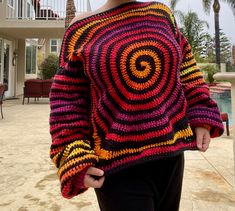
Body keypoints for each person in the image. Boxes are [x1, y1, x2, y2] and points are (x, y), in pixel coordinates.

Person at [49, 0, 224, 210]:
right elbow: (67, 99)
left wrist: (200, 113)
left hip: (171, 156)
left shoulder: (161, 15)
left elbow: (186, 67)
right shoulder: (82, 29)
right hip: (116, 167)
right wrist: (73, 154)